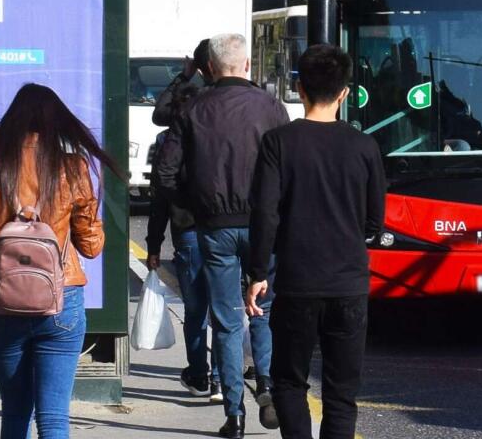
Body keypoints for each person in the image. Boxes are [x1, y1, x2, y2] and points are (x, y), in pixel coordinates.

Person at [0, 83, 121, 439]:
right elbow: (91, 247)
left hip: (2, 302)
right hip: (61, 301)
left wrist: (0, 232)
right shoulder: (73, 169)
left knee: (14, 414)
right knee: (54, 418)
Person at [245, 44, 385, 439]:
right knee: (342, 393)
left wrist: (257, 273)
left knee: (290, 382)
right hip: (349, 284)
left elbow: (265, 214)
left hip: (297, 282)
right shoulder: (365, 146)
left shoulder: (278, 142)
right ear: (344, 92)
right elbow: (375, 221)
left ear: (300, 89)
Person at [154, 33, 290, 438]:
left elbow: (164, 172)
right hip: (264, 224)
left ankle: (235, 414)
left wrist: (195, 203)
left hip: (213, 227)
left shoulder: (193, 108)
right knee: (264, 308)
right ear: (247, 64)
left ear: (210, 68)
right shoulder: (271, 106)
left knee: (227, 320)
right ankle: (265, 381)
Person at [146, 38, 223, 401]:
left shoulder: (170, 142)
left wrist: (182, 76)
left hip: (189, 231)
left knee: (196, 311)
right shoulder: (220, 124)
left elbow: (160, 196)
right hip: (225, 226)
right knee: (225, 308)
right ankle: (224, 377)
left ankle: (200, 374)